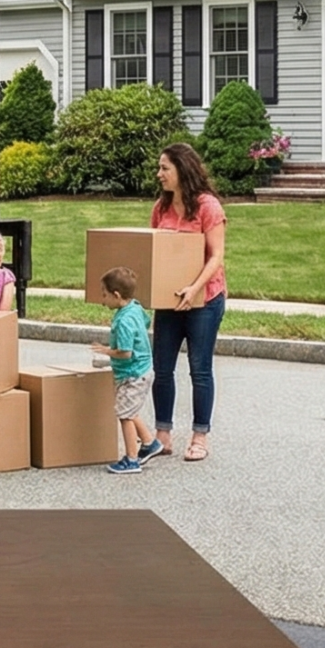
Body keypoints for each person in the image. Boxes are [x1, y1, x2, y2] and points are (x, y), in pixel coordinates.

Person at [151, 142, 228, 462]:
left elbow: (217, 257)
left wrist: (194, 289)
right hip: (169, 301)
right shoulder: (161, 208)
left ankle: (199, 436)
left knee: (200, 370)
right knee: (162, 369)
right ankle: (162, 434)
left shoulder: (208, 207)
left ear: (182, 170)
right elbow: (154, 253)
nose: (159, 174)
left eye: (165, 168)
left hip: (204, 301)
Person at [90, 266, 166, 473]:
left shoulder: (123, 321)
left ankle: (132, 459)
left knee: (124, 415)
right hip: (143, 370)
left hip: (132, 374)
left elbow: (125, 353)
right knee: (130, 411)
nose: (102, 299)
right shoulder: (135, 307)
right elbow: (147, 321)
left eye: (104, 295)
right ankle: (150, 443)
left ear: (116, 295)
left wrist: (107, 351)